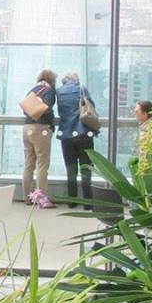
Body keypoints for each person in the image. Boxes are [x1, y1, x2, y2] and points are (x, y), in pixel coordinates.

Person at [54, 69, 99, 202]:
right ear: (75, 79)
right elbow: (91, 107)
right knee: (86, 168)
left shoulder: (59, 91)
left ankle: (72, 201)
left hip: (66, 134)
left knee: (70, 168)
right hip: (84, 133)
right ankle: (87, 202)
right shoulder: (81, 88)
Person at [20, 67, 58, 208]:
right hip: (41, 129)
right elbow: (46, 107)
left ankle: (27, 197)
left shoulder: (33, 89)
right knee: (42, 164)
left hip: (26, 129)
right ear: (52, 80)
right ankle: (41, 200)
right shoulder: (49, 91)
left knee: (29, 164)